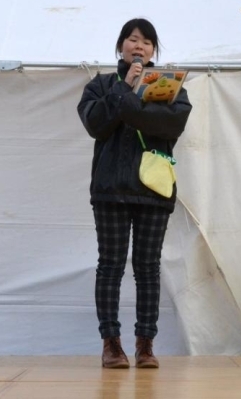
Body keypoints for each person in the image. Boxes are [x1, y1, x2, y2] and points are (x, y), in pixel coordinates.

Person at [77, 18, 192, 369]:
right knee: (110, 266)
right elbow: (96, 125)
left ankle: (145, 345)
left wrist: (132, 104)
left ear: (154, 49)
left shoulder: (171, 86)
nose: (138, 46)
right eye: (131, 39)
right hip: (110, 190)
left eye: (145, 41)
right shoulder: (100, 85)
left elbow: (171, 124)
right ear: (120, 46)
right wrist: (125, 90)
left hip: (153, 191)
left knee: (147, 267)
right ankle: (111, 343)